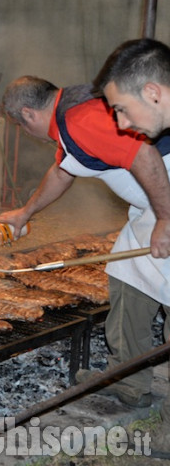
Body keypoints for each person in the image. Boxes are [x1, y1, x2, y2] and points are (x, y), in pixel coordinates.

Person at [0, 72, 170, 417]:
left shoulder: (80, 120)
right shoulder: (72, 111)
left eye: (22, 126)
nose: (27, 133)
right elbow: (63, 170)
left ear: (28, 114)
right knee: (127, 274)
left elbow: (144, 156)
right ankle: (129, 379)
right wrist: (24, 212)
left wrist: (165, 219)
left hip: (165, 202)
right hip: (152, 206)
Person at [91, 37, 170, 455]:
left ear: (153, 93)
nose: (120, 124)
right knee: (127, 271)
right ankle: (132, 385)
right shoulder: (156, 128)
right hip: (153, 228)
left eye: (121, 109)